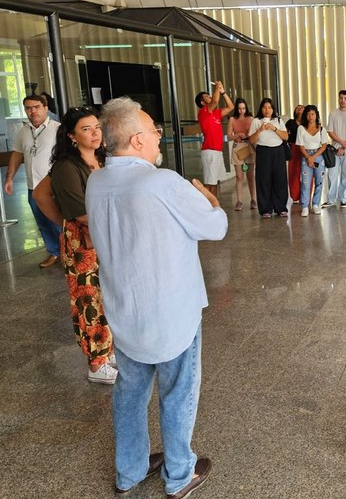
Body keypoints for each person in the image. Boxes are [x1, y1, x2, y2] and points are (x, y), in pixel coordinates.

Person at [86, 96, 227, 498]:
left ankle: (128, 471)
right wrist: (212, 203)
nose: (159, 137)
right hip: (170, 313)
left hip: (125, 310)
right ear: (136, 140)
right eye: (153, 131)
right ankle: (179, 475)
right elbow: (215, 227)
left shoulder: (97, 181)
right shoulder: (161, 182)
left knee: (130, 392)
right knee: (178, 392)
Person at [36, 107, 118, 384]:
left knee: (107, 295)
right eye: (86, 129)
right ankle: (96, 364)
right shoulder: (67, 167)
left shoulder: (101, 158)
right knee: (89, 299)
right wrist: (64, 222)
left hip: (105, 235)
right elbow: (76, 211)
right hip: (84, 242)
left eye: (97, 127)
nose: (95, 133)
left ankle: (107, 350)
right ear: (71, 136)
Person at [3, 95, 61, 268]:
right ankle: (54, 252)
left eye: (36, 107)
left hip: (53, 186)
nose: (32, 111)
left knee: (59, 221)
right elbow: (17, 154)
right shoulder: (23, 131)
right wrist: (9, 178)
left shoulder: (58, 129)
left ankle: (71, 253)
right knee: (42, 223)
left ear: (45, 108)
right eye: (28, 108)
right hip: (32, 186)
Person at [248, 97, 289, 218]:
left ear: (273, 109)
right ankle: (265, 209)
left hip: (278, 151)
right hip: (263, 151)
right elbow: (251, 140)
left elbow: (285, 137)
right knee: (263, 179)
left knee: (280, 179)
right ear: (261, 109)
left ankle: (281, 207)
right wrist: (260, 130)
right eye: (265, 107)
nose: (267, 110)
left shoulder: (278, 120)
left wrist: (274, 129)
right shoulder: (256, 121)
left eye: (269, 107)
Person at [194, 80, 234, 198]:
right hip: (209, 151)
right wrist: (217, 87)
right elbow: (215, 101)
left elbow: (230, 106)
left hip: (218, 151)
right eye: (206, 96)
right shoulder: (203, 112)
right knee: (209, 183)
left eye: (209, 94)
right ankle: (205, 205)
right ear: (202, 102)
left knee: (214, 182)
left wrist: (223, 92)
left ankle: (215, 205)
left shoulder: (215, 113)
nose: (209, 96)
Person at [325, 90, 346, 208]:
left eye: (345, 98)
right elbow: (330, 131)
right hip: (334, 150)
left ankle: (343, 198)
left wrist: (344, 146)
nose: (343, 100)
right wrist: (341, 143)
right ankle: (331, 199)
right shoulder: (333, 113)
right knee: (332, 175)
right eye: (341, 98)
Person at [296, 104, 329, 216]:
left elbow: (324, 146)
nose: (310, 117)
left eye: (313, 114)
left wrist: (313, 157)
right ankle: (305, 206)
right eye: (308, 114)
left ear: (316, 115)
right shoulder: (301, 128)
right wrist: (308, 158)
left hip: (318, 156)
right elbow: (300, 146)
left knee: (319, 182)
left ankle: (316, 204)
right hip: (306, 156)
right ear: (305, 116)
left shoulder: (321, 129)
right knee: (305, 183)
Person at [226, 97, 255, 211]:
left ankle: (253, 199)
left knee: (250, 175)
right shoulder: (232, 119)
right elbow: (229, 136)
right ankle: (239, 201)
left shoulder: (250, 119)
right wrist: (238, 135)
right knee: (239, 176)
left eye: (243, 108)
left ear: (246, 108)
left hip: (248, 146)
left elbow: (254, 134)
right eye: (239, 109)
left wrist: (247, 136)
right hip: (237, 147)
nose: (241, 111)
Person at [286, 104, 305, 202]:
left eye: (302, 107)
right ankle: (294, 195)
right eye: (297, 108)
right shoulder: (290, 122)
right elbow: (285, 135)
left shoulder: (308, 122)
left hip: (306, 148)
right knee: (294, 172)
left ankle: (305, 196)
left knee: (306, 172)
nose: (299, 109)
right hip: (293, 148)